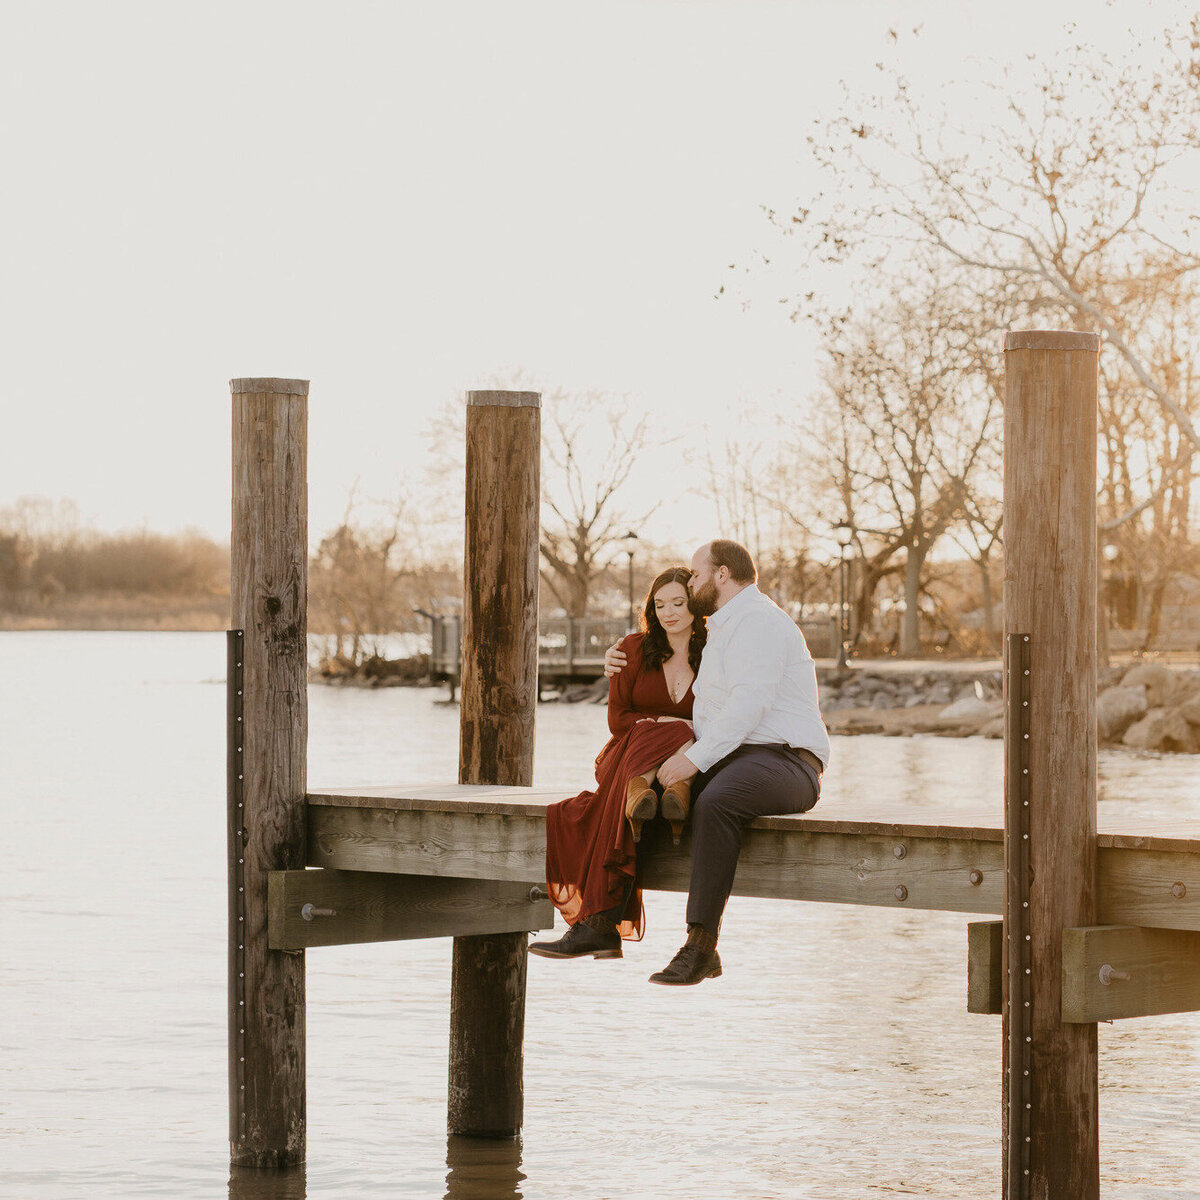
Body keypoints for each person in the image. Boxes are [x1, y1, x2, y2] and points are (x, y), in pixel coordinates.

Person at [603, 539, 829, 986]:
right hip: (739, 757)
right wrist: (617, 657)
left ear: (722, 574)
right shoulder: (726, 625)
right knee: (641, 795)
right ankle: (600, 920)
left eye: (696, 574)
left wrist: (694, 761)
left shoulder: (760, 622)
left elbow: (750, 705)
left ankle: (701, 947)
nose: (691, 581)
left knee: (717, 802)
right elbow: (669, 653)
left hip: (789, 762)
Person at [529, 567, 707, 961]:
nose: (669, 612)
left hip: (687, 764)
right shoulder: (631, 649)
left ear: (695, 605)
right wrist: (671, 723)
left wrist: (679, 729)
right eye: (660, 604)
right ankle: (651, 794)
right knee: (660, 731)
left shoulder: (715, 652)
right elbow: (618, 720)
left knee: (679, 734)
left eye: (678, 603)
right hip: (626, 756)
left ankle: (599, 926)